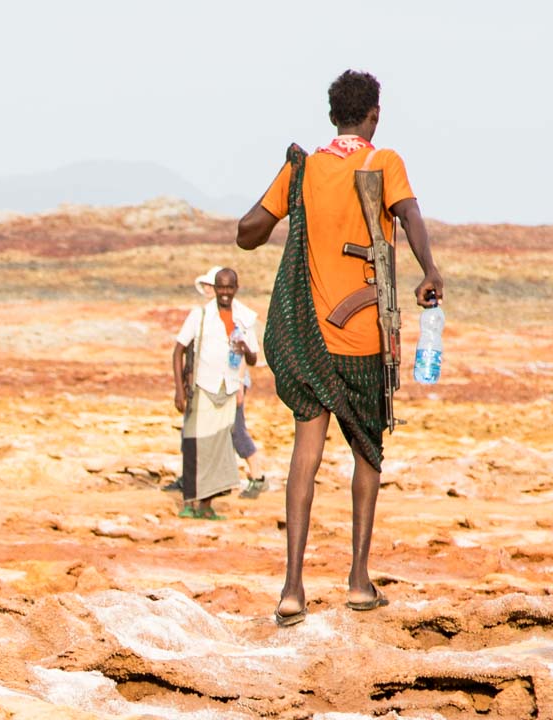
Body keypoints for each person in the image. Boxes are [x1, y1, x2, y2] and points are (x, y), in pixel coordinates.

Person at [236, 69, 443, 625]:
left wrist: (274, 201)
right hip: (362, 335)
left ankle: (292, 589)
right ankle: (356, 580)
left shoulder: (302, 169)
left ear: (333, 115)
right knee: (367, 452)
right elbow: (411, 215)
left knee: (306, 453)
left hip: (307, 337)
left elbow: (248, 230)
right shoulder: (382, 161)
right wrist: (430, 270)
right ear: (374, 114)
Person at [171, 267, 259, 520]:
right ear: (215, 288)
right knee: (195, 444)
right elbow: (178, 350)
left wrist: (244, 348)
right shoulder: (200, 315)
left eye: (229, 288)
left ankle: (207, 505)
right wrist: (179, 390)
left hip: (228, 388)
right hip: (203, 386)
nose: (224, 293)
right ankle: (190, 503)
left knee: (220, 448)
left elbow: (253, 358)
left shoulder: (243, 318)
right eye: (220, 287)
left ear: (236, 289)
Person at [194, 266, 268, 499]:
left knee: (235, 428)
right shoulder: (211, 315)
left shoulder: (237, 317)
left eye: (210, 285)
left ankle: (257, 476)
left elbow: (242, 352)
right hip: (216, 382)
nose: (207, 289)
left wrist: (237, 383)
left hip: (232, 381)